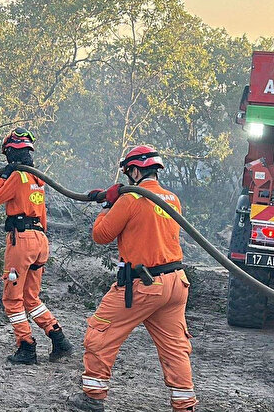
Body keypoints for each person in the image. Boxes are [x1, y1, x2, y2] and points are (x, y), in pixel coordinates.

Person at [67, 145, 197, 412]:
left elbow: (101, 235)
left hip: (144, 285)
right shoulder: (172, 199)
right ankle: (185, 406)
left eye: (129, 173)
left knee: (99, 332)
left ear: (136, 171)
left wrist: (107, 205)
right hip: (175, 284)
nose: (128, 179)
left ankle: (92, 398)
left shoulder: (132, 198)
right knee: (175, 349)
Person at [0, 127, 73, 365]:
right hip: (40, 240)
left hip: (21, 241)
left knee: (12, 299)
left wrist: (4, 176)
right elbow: (43, 214)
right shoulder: (37, 178)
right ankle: (59, 339)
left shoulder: (18, 176)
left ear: (10, 153)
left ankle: (26, 347)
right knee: (31, 298)